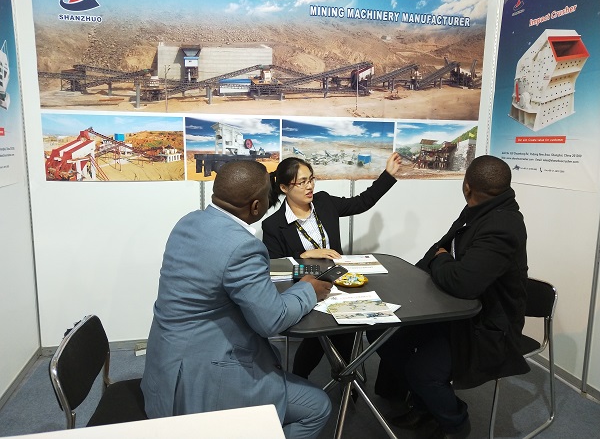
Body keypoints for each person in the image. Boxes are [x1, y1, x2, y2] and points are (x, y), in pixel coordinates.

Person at [141, 160, 333, 439]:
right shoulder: (243, 246)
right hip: (201, 381)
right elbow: (272, 321)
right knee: (318, 406)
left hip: (165, 367)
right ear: (256, 206)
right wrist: (308, 289)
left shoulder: (188, 222)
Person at [368, 155, 530, 439]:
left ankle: (455, 424)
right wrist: (433, 265)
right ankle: (424, 406)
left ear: (467, 186)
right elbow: (439, 249)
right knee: (384, 335)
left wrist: (441, 261)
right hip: (455, 311)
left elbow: (462, 282)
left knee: (423, 371)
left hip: (486, 327)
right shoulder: (479, 209)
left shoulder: (503, 226)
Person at [262, 152, 402, 379]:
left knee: (350, 328)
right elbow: (277, 270)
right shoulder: (274, 225)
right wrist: (303, 255)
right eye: (302, 182)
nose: (309, 186)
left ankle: (340, 379)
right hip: (305, 289)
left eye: (311, 179)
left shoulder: (324, 202)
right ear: (285, 188)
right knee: (327, 333)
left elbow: (362, 202)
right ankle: (330, 379)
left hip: (340, 285)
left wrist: (388, 175)